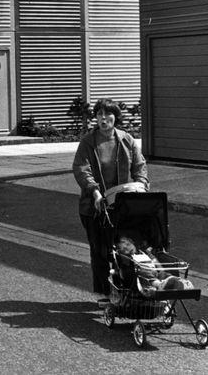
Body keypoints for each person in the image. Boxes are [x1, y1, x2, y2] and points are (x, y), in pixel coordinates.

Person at [72, 98, 149, 303]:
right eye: (99, 115)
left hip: (121, 205)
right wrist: (94, 191)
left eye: (108, 114)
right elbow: (81, 169)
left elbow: (140, 166)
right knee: (100, 251)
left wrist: (141, 184)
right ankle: (105, 294)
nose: (103, 119)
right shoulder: (88, 141)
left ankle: (126, 289)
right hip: (94, 206)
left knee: (123, 248)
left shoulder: (126, 139)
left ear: (116, 117)